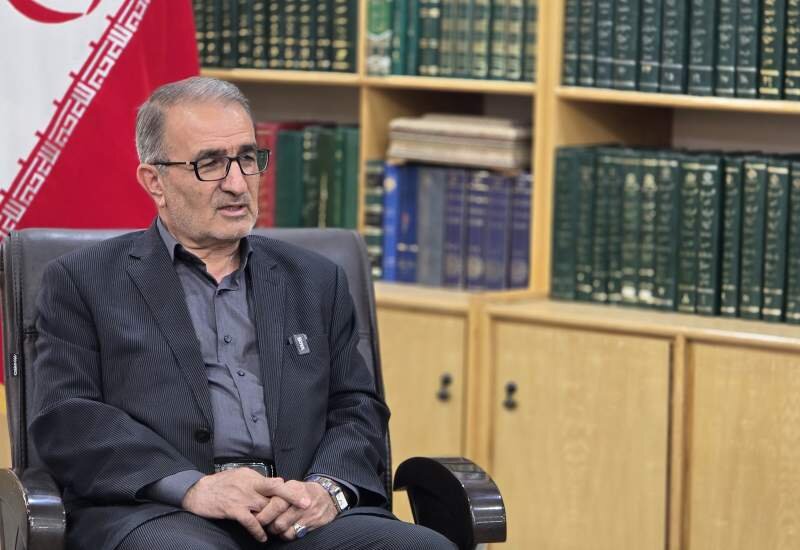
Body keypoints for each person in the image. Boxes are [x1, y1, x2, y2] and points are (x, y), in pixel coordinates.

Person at [29, 76, 456, 550]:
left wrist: (326, 490)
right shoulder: (84, 280)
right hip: (166, 513)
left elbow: (356, 407)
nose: (236, 184)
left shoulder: (316, 279)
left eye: (247, 159)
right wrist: (192, 486)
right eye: (210, 164)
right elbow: (68, 417)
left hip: (300, 510)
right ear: (155, 181)